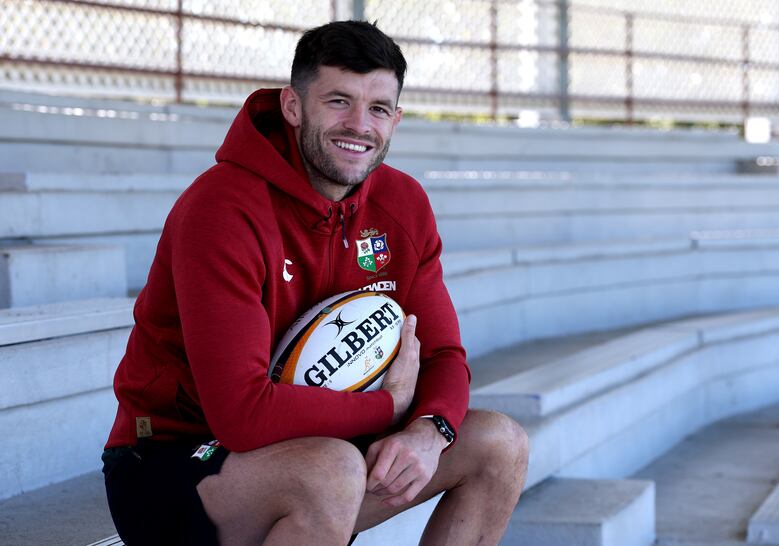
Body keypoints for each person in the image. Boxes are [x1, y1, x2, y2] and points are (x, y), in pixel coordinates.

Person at [102, 20, 529, 546]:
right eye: (337, 101)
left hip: (328, 441)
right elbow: (240, 414)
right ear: (292, 106)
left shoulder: (403, 204)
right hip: (176, 458)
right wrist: (387, 407)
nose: (358, 125)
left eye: (377, 109)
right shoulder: (221, 209)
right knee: (330, 472)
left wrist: (428, 429)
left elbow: (443, 354)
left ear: (395, 119)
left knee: (497, 442)